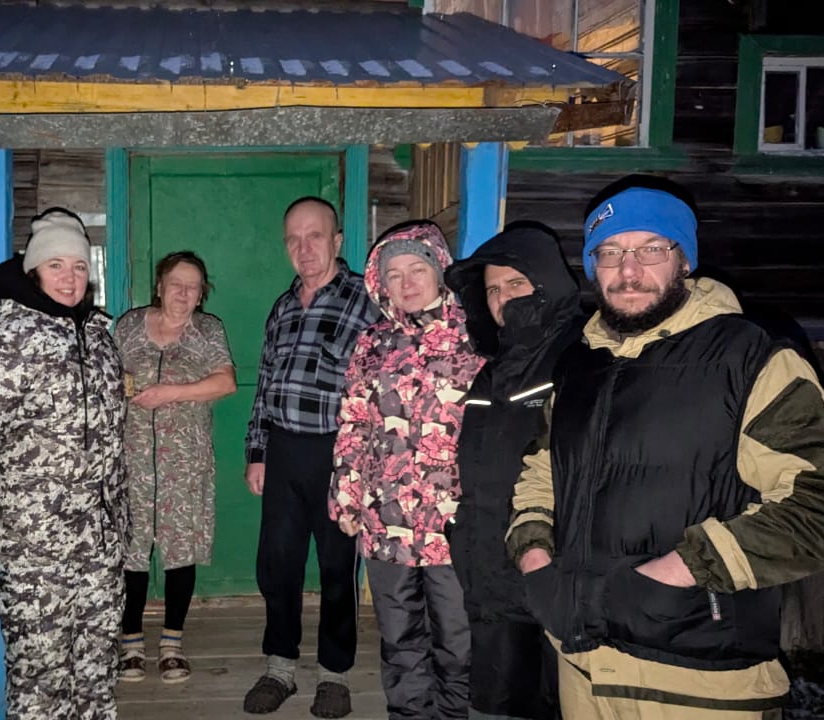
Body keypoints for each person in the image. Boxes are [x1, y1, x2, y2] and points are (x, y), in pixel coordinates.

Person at [506, 176, 824, 719]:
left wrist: (676, 574)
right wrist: (536, 562)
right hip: (581, 669)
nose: (629, 270)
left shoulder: (750, 356)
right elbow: (541, 472)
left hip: (698, 682)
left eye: (651, 248)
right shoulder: (579, 364)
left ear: (684, 260)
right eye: (610, 252)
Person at [0, 208, 128, 719]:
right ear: (34, 271)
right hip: (34, 544)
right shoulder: (9, 337)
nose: (70, 278)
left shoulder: (97, 335)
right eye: (56, 266)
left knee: (97, 669)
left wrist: (119, 519)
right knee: (40, 676)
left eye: (79, 266)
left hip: (99, 539)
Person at [329, 220, 484, 719]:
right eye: (393, 275)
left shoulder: (477, 336)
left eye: (417, 268)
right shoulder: (372, 342)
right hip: (386, 519)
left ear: (440, 269)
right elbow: (354, 421)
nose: (406, 282)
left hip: (454, 521)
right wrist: (347, 494)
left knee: (458, 640)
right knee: (400, 639)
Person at [243, 196, 380, 719]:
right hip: (282, 451)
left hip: (338, 455)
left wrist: (364, 465)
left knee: (337, 567)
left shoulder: (367, 301)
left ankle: (333, 674)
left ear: (337, 241)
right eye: (294, 239)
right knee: (277, 565)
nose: (304, 248)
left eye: (315, 236)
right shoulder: (282, 307)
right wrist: (257, 452)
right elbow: (265, 387)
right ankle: (280, 667)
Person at [445, 221, 583, 720]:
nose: (503, 299)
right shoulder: (493, 371)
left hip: (553, 573)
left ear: (546, 281)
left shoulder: (581, 358)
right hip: (492, 572)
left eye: (516, 284)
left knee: (561, 701)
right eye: (492, 290)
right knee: (504, 704)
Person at [115, 250, 236, 684]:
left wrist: (170, 393)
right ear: (159, 286)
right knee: (131, 551)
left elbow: (226, 382)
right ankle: (130, 642)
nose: (184, 293)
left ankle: (171, 644)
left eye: (193, 287)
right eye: (176, 284)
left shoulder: (208, 330)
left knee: (180, 551)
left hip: (183, 461)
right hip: (130, 459)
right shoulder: (129, 325)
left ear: (202, 293)